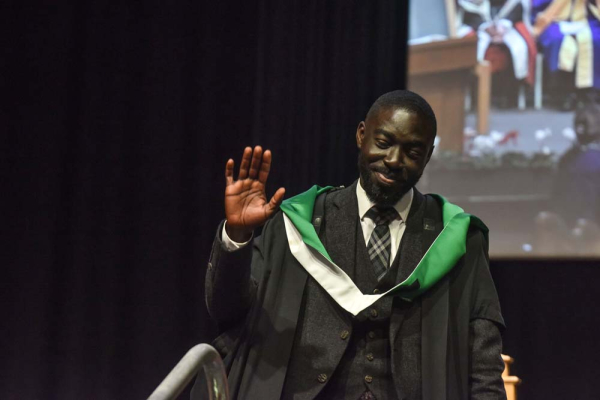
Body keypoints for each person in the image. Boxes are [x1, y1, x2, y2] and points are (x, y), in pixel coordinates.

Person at [192, 90, 506, 400]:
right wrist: (238, 234)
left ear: (428, 156)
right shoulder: (300, 222)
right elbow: (226, 310)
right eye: (383, 143)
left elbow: (483, 358)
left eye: (412, 152)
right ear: (361, 135)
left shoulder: (455, 238)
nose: (393, 160)